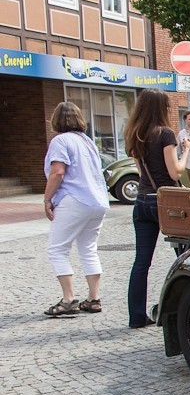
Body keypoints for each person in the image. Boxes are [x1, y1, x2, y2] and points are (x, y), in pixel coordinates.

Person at [124, 89, 190, 329]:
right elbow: (175, 173)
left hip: (142, 201)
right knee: (186, 256)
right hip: (166, 203)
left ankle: (136, 316)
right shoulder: (165, 134)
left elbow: (142, 172)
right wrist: (187, 151)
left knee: (141, 262)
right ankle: (188, 309)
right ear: (161, 108)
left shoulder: (135, 134)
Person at [41, 102, 110, 317]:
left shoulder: (60, 141)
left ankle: (68, 299)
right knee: (88, 248)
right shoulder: (87, 141)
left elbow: (58, 172)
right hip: (97, 201)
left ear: (56, 120)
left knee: (57, 249)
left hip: (74, 199)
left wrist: (47, 199)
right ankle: (93, 298)